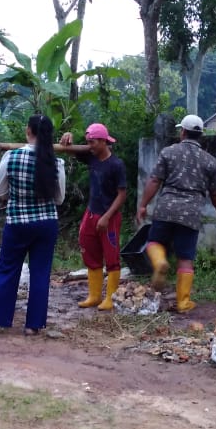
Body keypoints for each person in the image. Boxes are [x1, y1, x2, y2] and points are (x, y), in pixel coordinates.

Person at [0, 115, 66, 338]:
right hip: (46, 224)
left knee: (7, 269)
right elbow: (59, 199)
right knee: (41, 273)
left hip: (17, 223)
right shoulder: (56, 162)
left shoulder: (11, 157)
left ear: (28, 131)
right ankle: (33, 326)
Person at [135, 114, 216, 313]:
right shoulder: (210, 161)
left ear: (183, 132)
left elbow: (154, 180)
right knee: (185, 258)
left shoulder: (168, 152)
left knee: (154, 243)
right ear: (200, 135)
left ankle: (160, 262)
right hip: (191, 214)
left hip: (166, 209)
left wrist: (143, 205)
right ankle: (183, 302)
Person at [59, 123, 127, 310]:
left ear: (104, 141)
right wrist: (67, 135)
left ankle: (111, 297)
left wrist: (106, 217)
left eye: (93, 142)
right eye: (88, 142)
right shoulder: (92, 158)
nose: (90, 146)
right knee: (89, 251)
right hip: (91, 213)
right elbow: (68, 149)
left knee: (112, 257)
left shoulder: (116, 164)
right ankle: (95, 295)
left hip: (109, 216)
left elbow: (122, 194)